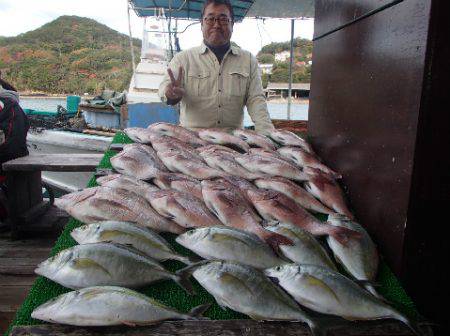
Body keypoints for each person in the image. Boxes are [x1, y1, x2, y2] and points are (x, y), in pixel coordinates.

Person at [158, 0, 275, 134]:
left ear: (232, 24)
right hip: (192, 140)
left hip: (233, 141)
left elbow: (256, 101)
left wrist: (268, 136)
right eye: (210, 19)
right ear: (201, 24)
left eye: (223, 19)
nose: (216, 24)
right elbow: (164, 90)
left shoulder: (248, 60)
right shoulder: (183, 59)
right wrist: (170, 93)